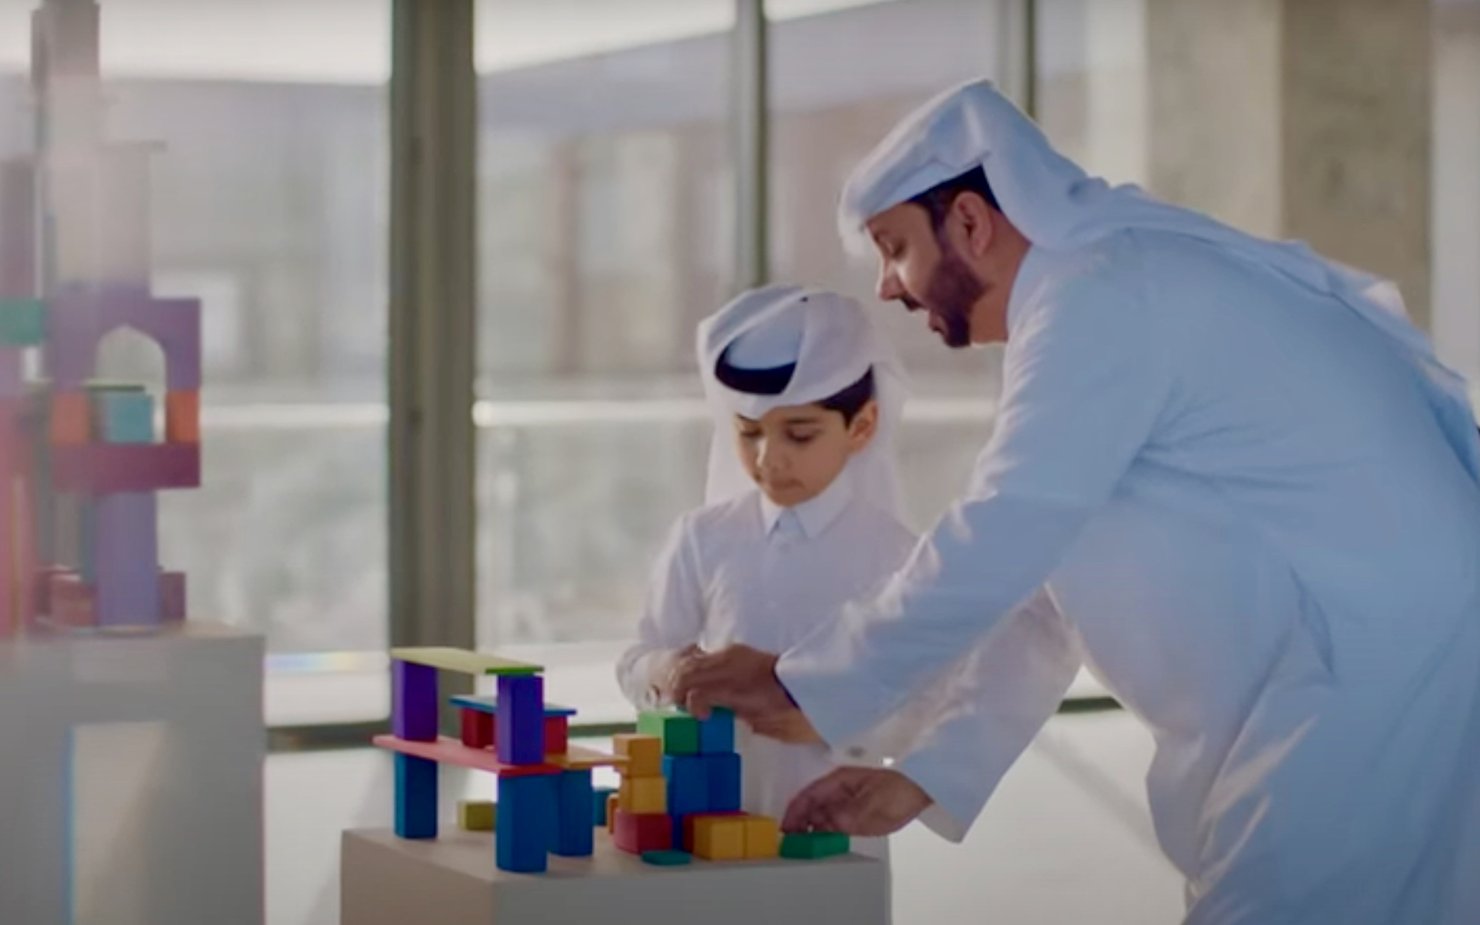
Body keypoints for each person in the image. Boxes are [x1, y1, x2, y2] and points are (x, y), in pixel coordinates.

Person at [671, 80, 1480, 924]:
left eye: (894, 247)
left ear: (972, 225)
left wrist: (805, 681)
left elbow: (1004, 527)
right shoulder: (1089, 303)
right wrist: (922, 774)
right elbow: (1045, 595)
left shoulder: (1102, 293)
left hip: (1367, 666)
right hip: (1348, 667)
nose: (886, 288)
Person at [617, 283, 1073, 872]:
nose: (768, 460)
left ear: (862, 426)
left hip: (836, 832)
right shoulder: (703, 538)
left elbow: (930, 703)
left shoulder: (902, 558)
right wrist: (665, 672)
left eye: (799, 434)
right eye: (749, 434)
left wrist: (830, 715)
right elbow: (638, 656)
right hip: (702, 829)